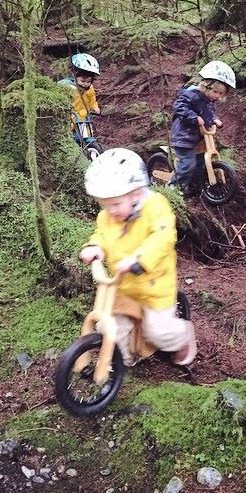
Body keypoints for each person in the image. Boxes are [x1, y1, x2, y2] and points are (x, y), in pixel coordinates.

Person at [79, 148, 197, 367]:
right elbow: (102, 235)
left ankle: (182, 334)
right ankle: (119, 360)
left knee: (159, 333)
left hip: (154, 285)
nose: (110, 211)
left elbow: (163, 237)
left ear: (135, 194)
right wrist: (95, 247)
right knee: (108, 327)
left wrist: (139, 259)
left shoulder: (156, 207)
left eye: (115, 204)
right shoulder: (107, 216)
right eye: (104, 204)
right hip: (122, 286)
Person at [168, 60, 236, 195]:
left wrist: (215, 120)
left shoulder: (209, 102)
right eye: (216, 92)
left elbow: (209, 114)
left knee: (200, 164)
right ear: (206, 86)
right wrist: (194, 117)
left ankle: (195, 188)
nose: (217, 96)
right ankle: (173, 187)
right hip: (184, 137)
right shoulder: (191, 95)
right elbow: (179, 107)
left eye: (221, 94)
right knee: (188, 163)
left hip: (198, 139)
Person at [59, 53, 101, 141]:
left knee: (87, 139)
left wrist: (95, 107)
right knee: (70, 139)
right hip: (69, 120)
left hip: (83, 120)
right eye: (82, 81)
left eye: (89, 81)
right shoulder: (66, 87)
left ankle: (91, 150)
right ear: (74, 75)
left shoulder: (90, 89)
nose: (85, 84)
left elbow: (92, 100)